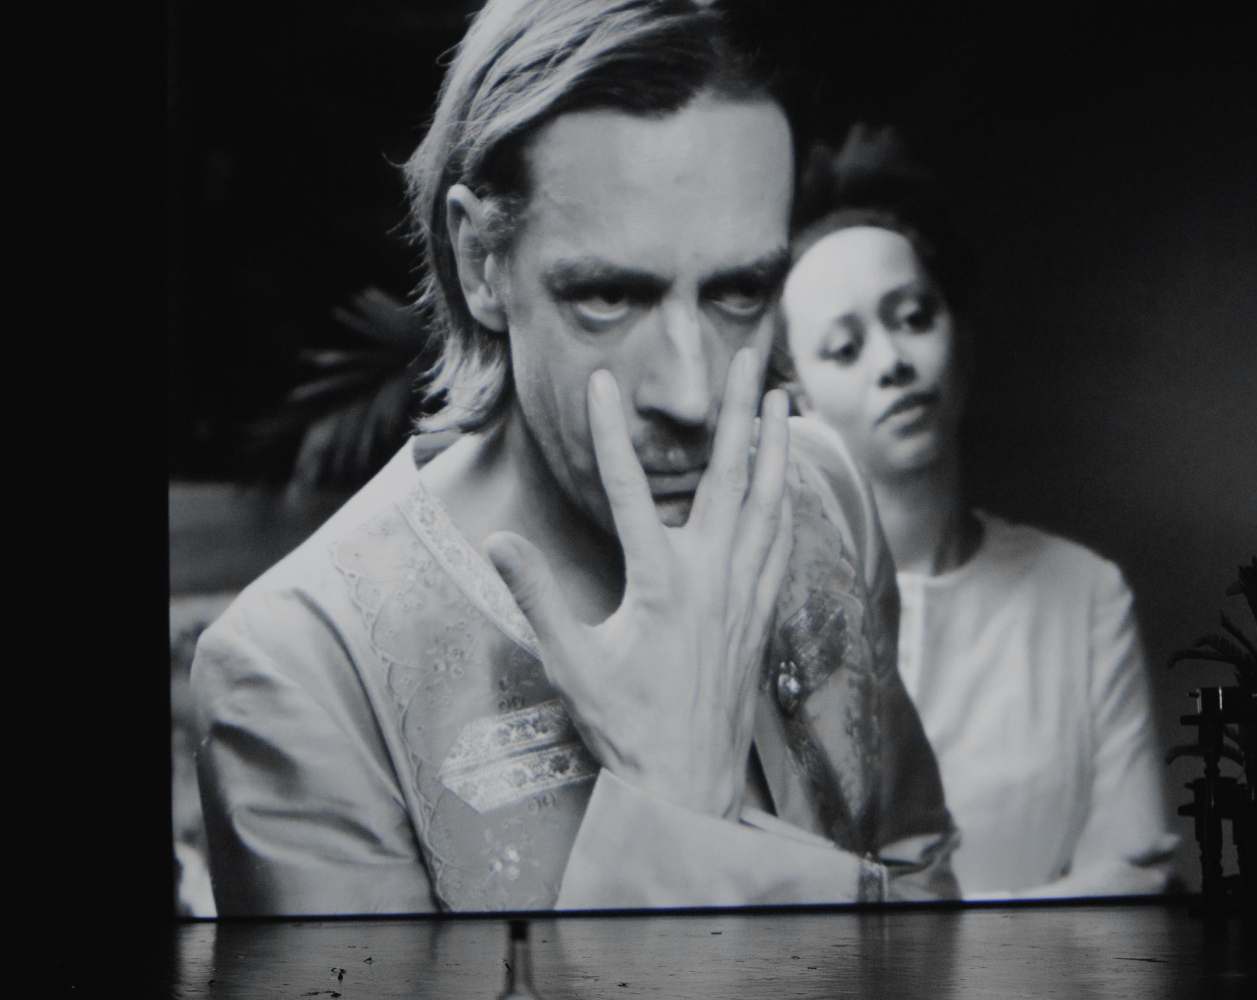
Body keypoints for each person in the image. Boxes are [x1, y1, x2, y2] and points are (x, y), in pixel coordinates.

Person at [190, 0, 959, 916]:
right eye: (609, 297)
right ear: (481, 261)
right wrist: (672, 808)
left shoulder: (824, 493)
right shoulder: (302, 671)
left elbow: (928, 884)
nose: (691, 392)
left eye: (740, 291)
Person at [777, 125, 1178, 898]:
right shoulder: (775, 622)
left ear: (959, 333)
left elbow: (1135, 901)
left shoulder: (1084, 594)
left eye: (913, 316)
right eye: (845, 348)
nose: (892, 362)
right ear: (799, 400)